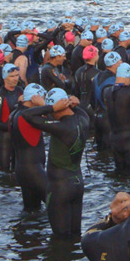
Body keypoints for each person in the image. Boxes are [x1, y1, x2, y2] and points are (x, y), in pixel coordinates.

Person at [22, 88, 89, 238]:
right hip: (78, 184)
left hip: (60, 188)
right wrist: (73, 105)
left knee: (59, 239)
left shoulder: (60, 127)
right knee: (75, 235)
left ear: (59, 108)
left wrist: (50, 107)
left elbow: (26, 114)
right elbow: (79, 110)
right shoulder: (83, 118)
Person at [10, 83, 48, 210]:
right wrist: (44, 106)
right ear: (34, 99)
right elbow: (58, 123)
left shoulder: (15, 113)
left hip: (21, 170)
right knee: (58, 204)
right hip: (34, 171)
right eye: (42, 97)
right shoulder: (29, 117)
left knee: (32, 213)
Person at [0, 64, 23, 172]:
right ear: (5, 77)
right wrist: (14, 126)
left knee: (17, 171)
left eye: (17, 75)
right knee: (3, 172)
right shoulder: (0, 96)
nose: (15, 78)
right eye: (12, 76)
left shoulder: (20, 91)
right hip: (4, 138)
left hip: (17, 137)